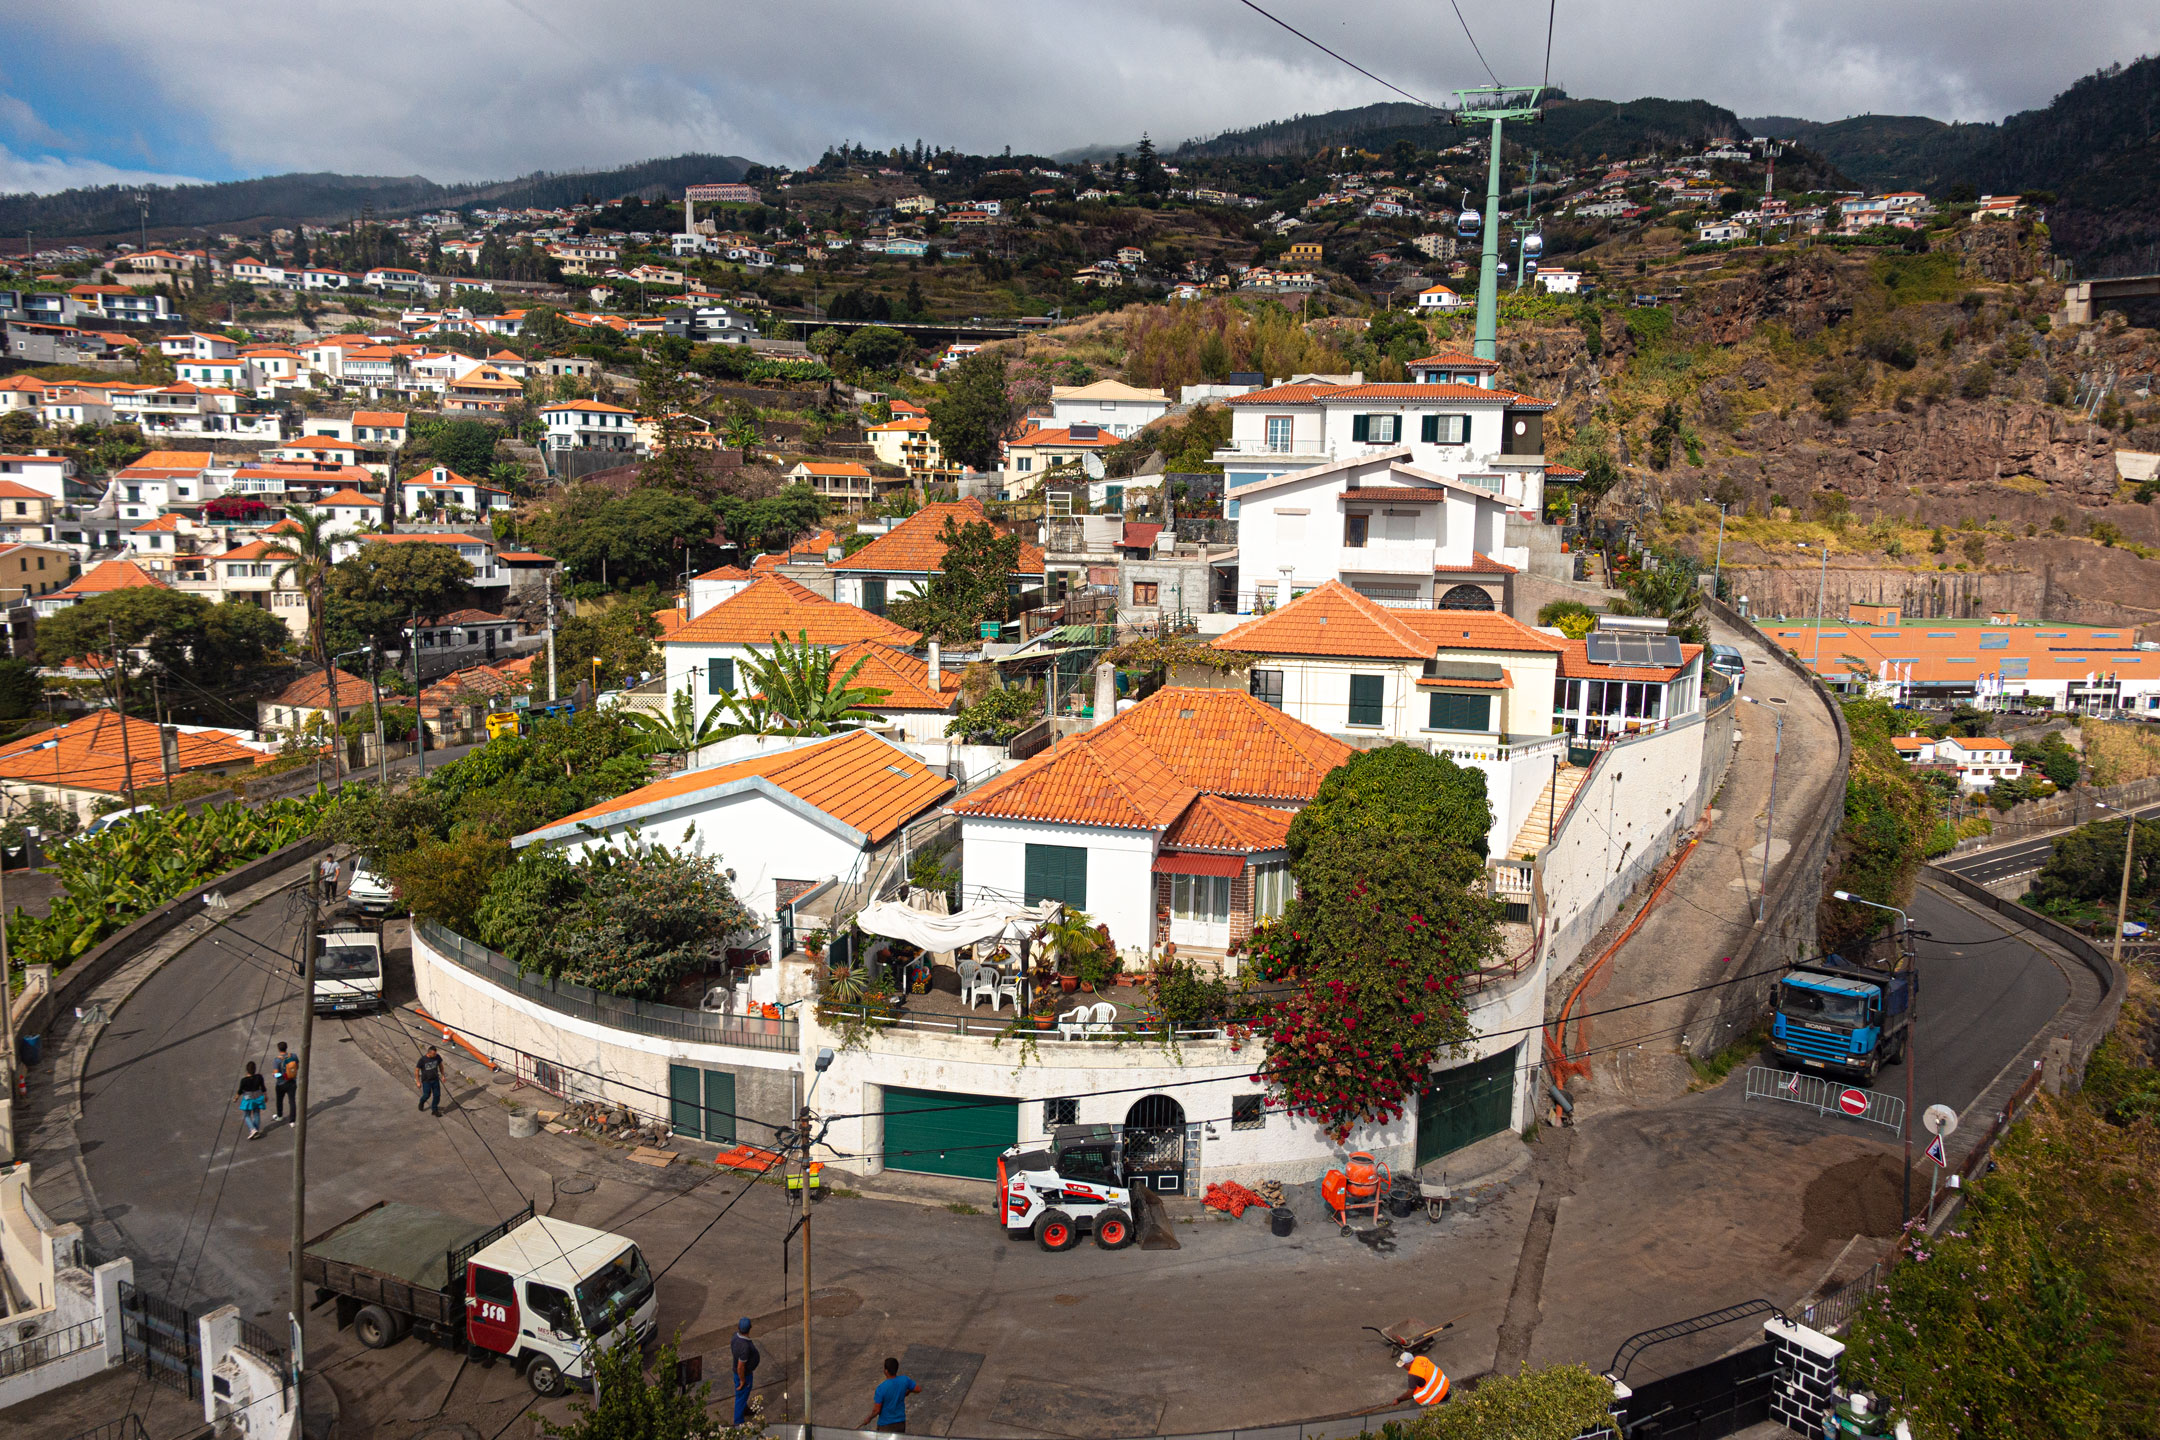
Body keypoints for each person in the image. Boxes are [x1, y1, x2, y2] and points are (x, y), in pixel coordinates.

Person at [860, 1357, 920, 1434]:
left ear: (886, 1371)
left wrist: (869, 1418)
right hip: (900, 1423)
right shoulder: (904, 1380)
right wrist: (907, 1391)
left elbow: (877, 1410)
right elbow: (918, 1389)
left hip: (886, 1425)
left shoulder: (881, 1388)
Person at [730, 1316, 760, 1424]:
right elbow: (740, 1366)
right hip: (743, 1375)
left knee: (743, 1395)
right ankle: (738, 1423)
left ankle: (745, 1409)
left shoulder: (735, 1337)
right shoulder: (745, 1347)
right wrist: (742, 1380)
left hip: (739, 1373)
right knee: (740, 1397)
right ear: (750, 1328)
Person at [235, 1061, 268, 1140]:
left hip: (248, 1098)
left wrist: (236, 1098)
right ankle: (256, 1130)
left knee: (247, 1115)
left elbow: (240, 1091)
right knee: (256, 1113)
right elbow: (263, 1087)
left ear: (247, 1070)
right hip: (258, 1097)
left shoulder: (244, 1080)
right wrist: (265, 1096)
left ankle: (253, 1129)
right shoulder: (259, 1077)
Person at [273, 1041, 298, 1123]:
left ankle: (279, 1116)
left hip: (281, 1083)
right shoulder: (293, 1056)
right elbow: (297, 1066)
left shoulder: (277, 1060)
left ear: (278, 1049)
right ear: (286, 1048)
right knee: (292, 1101)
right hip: (292, 1081)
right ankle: (292, 1121)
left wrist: (274, 1075)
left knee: (279, 1100)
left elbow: (276, 1074)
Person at [416, 1046, 443, 1117]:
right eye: (434, 1054)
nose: (435, 1055)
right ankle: (422, 1102)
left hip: (435, 1079)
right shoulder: (422, 1060)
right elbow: (417, 1070)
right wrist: (418, 1081)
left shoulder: (437, 1057)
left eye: (436, 1053)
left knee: (437, 1095)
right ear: (429, 1053)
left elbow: (441, 1065)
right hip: (426, 1081)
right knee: (427, 1095)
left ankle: (434, 1110)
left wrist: (443, 1075)